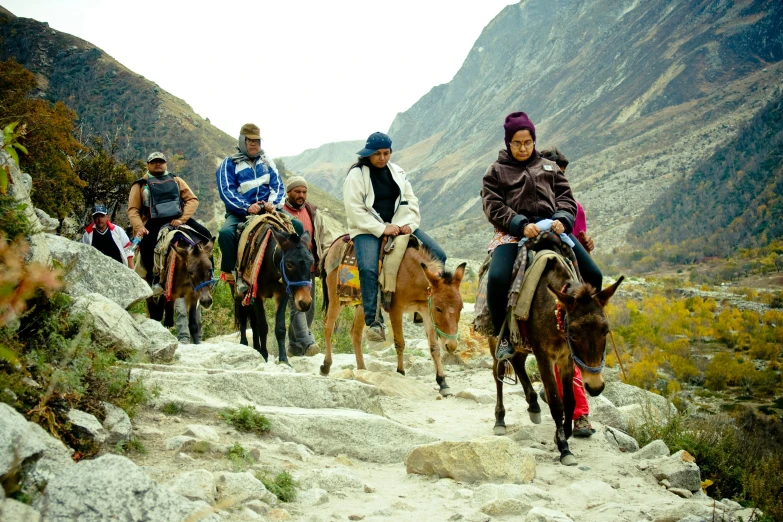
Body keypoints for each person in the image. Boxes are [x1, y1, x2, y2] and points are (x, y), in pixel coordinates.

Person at [481, 112, 577, 361]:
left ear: (534, 141)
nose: (523, 148)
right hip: (512, 234)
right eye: (517, 142)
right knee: (498, 278)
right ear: (508, 143)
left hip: (550, 228)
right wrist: (519, 224)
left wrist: (562, 219)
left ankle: (584, 328)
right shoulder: (496, 171)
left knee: (594, 275)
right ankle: (503, 336)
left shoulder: (550, 167)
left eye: (528, 142)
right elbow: (493, 206)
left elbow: (566, 198)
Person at [343, 131, 447, 342]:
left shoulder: (398, 172)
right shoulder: (356, 175)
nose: (382, 158)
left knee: (439, 255)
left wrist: (406, 224)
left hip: (400, 224)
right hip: (367, 228)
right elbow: (354, 209)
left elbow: (410, 201)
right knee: (368, 268)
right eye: (377, 154)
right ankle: (374, 321)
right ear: (368, 154)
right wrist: (382, 229)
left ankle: (424, 304)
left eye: (386, 153)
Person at [127, 152, 212, 293]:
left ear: (165, 163)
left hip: (178, 218)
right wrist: (140, 227)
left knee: (206, 235)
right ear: (148, 165)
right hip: (154, 221)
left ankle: (208, 273)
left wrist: (182, 219)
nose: (158, 164)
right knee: (147, 245)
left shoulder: (176, 180)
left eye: (161, 161)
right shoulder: (140, 185)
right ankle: (154, 278)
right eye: (154, 162)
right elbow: (133, 209)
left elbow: (192, 199)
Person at [216, 123, 285, 295]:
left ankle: (292, 274)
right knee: (225, 233)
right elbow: (227, 191)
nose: (254, 144)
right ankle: (234, 274)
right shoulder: (229, 164)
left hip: (268, 210)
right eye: (250, 140)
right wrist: (247, 207)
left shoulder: (267, 162)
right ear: (242, 141)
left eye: (257, 141)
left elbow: (278, 187)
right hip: (241, 212)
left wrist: (272, 204)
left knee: (297, 227)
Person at [281, 176, 337, 356]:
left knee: (309, 309)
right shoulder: (280, 212)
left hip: (309, 269)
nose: (301, 195)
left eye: (304, 192)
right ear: (288, 192)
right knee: (296, 306)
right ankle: (307, 342)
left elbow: (325, 235)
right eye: (297, 191)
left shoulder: (313, 212)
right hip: (291, 271)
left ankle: (294, 347)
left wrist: (327, 256)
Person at [539, 146, 601, 290]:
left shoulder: (576, 208)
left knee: (595, 276)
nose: (558, 179)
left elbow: (578, 245)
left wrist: (586, 248)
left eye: (562, 174)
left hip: (565, 249)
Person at [81, 204, 134, 268]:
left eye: (102, 216)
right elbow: (83, 253)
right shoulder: (88, 235)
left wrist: (132, 271)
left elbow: (128, 251)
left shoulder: (117, 231)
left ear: (107, 217)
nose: (100, 219)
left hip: (119, 269)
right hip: (97, 269)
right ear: (93, 218)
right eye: (97, 216)